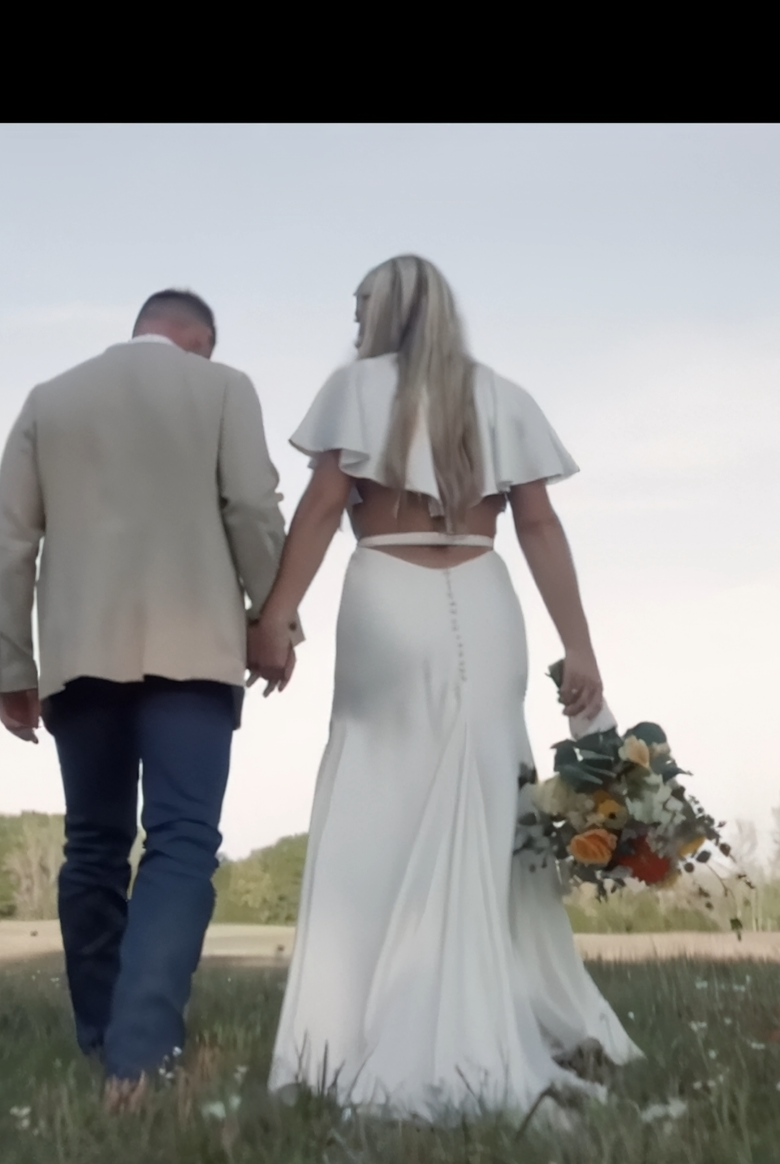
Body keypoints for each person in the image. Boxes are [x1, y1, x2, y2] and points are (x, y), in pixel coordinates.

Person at [249, 255, 639, 1120]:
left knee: (376, 790)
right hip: (488, 596)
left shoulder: (357, 388)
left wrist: (275, 615)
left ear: (384, 313)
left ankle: (346, 1026)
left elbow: (320, 509)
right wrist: (580, 648)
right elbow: (536, 522)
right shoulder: (499, 394)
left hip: (386, 591)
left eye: (360, 311)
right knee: (488, 792)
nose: (354, 329)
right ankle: (485, 999)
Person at [0, 289, 289, 1109]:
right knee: (182, 842)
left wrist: (13, 665)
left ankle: (101, 1038)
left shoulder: (49, 400)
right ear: (201, 343)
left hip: (79, 656)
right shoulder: (224, 389)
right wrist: (274, 618)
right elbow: (254, 509)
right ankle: (140, 1053)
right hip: (194, 650)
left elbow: (13, 542)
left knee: (92, 845)